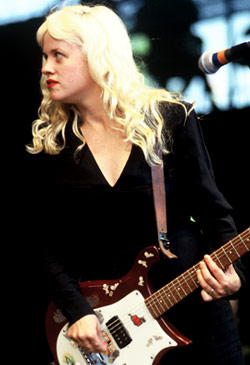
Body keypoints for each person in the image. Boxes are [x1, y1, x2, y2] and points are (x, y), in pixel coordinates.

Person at [26, 3, 247, 364]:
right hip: (112, 332)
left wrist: (235, 278)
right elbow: (44, 244)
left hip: (196, 316)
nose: (45, 67)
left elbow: (213, 212)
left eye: (58, 56)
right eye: (45, 56)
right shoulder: (54, 145)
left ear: (97, 56)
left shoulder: (169, 118)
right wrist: (77, 310)